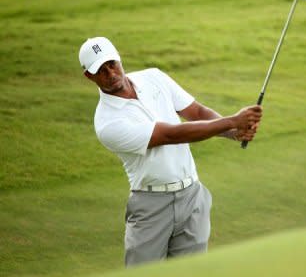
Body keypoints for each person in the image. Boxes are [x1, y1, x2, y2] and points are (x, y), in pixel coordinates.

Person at [79, 37, 262, 266]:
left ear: (119, 57)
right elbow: (171, 135)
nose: (111, 73)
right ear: (89, 76)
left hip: (191, 195)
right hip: (151, 206)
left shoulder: (153, 77)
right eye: (101, 70)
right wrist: (232, 121)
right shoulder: (107, 123)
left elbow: (196, 112)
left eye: (112, 64)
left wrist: (234, 131)